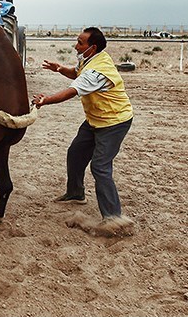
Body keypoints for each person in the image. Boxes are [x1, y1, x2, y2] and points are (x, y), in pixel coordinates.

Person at [31, 27, 135, 233]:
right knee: (76, 153)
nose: (76, 46)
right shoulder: (90, 59)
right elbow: (76, 73)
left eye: (80, 42)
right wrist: (59, 68)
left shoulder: (97, 72)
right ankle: (76, 194)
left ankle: (114, 218)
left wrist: (45, 100)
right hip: (96, 120)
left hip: (113, 122)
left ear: (92, 47)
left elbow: (72, 91)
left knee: (100, 166)